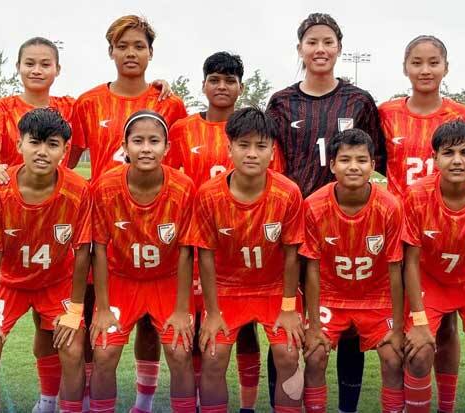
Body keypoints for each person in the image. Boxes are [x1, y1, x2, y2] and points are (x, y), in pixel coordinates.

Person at [265, 13, 386, 412]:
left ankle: (347, 406)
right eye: (312, 42)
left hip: (346, 228)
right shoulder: (281, 102)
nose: (320, 49)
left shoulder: (359, 101)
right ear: (300, 48)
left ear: (339, 48)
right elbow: (271, 164)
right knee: (288, 322)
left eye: (328, 42)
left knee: (349, 324)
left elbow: (377, 164)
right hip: (294, 224)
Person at [68, 15, 187, 412]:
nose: (131, 53)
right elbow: (67, 160)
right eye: (123, 46)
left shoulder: (169, 103)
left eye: (139, 46)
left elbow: (179, 162)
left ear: (151, 53)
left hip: (154, 226)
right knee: (93, 316)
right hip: (103, 226)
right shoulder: (88, 102)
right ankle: (88, 397)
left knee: (151, 325)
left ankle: (144, 402)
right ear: (111, 52)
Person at [378, 34, 465, 413]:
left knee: (449, 325)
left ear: (446, 67)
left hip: (448, 236)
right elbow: (375, 163)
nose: (425, 70)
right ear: (405, 67)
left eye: (433, 62)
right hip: (401, 235)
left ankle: (447, 404)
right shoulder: (386, 113)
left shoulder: (462, 116)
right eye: (417, 62)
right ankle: (408, 401)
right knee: (410, 325)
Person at [187, 107, 305, 413]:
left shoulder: (288, 193)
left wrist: (288, 308)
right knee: (213, 356)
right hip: (227, 290)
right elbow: (205, 256)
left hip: (274, 289)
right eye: (243, 145)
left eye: (261, 146)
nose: (252, 153)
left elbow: (292, 254)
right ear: (229, 148)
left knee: (289, 354)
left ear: (272, 152)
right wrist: (212, 312)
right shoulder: (208, 194)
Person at [0, 38, 74, 411]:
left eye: (45, 63)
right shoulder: (2, 107)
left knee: (54, 333)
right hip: (10, 225)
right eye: (29, 63)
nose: (37, 69)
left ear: (58, 69)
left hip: (53, 232)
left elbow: (117, 107)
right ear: (17, 67)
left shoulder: (69, 107)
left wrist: (158, 90)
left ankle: (49, 403)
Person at [165, 51, 264, 412]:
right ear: (203, 84)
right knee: (196, 329)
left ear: (241, 87)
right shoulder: (182, 129)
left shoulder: (252, 132)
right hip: (196, 244)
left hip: (241, 248)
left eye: (230, 80)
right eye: (215, 80)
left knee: (247, 329)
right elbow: (168, 181)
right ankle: (194, 401)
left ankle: (248, 405)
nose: (222, 86)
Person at [89, 110, 196, 413]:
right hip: (122, 279)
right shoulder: (105, 187)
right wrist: (102, 308)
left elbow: (187, 250)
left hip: (167, 280)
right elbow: (99, 248)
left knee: (179, 352)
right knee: (104, 352)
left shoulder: (184, 187)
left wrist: (181, 310)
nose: (146, 148)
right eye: (138, 141)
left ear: (167, 147)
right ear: (124, 146)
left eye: (154, 141)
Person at [402, 120, 465, 413]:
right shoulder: (417, 194)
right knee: (419, 353)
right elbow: (410, 262)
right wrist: (419, 323)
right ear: (435, 158)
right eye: (448, 153)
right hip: (430, 282)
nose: (457, 160)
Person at [301, 129, 405, 413]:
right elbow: (311, 268)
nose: (354, 166)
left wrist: (398, 327)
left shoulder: (390, 206)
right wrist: (313, 326)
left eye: (361, 160)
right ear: (332, 164)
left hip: (377, 297)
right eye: (345, 160)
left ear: (373, 165)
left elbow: (396, 267)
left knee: (394, 357)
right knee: (314, 356)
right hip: (330, 296)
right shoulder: (313, 206)